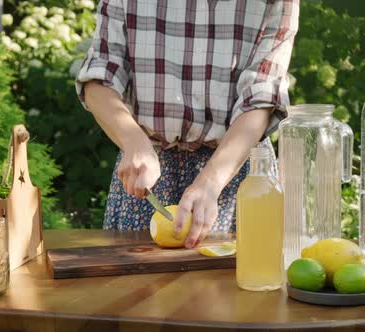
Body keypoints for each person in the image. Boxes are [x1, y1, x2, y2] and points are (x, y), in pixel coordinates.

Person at [76, 0, 299, 248]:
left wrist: (211, 182)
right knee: (132, 284)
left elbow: (261, 99)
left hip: (234, 173)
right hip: (145, 174)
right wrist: (133, 141)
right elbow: (98, 80)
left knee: (240, 281)